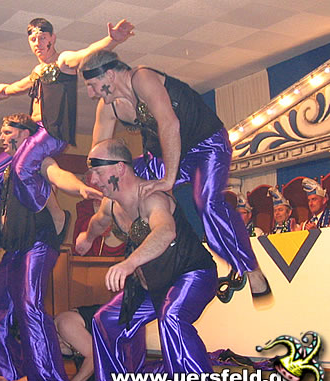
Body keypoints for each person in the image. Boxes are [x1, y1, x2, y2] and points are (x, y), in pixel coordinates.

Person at [79, 49, 270, 299]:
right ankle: (152, 259)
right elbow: (100, 157)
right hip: (165, 155)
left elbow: (170, 124)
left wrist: (168, 179)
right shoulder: (109, 108)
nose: (91, 93)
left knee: (207, 203)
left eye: (92, 85)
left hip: (206, 146)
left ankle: (251, 270)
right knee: (126, 179)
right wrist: (97, 184)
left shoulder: (142, 78)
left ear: (110, 75)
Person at [75, 140, 226, 381]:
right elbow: (97, 223)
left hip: (192, 274)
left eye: (97, 171)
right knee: (106, 319)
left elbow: (165, 232)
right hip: (153, 285)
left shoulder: (152, 197)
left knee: (172, 317)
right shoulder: (110, 205)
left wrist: (129, 263)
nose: (93, 179)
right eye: (91, 173)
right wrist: (87, 238)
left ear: (120, 168)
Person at [0, 113, 103, 381]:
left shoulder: (38, 161)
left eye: (7, 132)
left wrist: (80, 187)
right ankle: (14, 375)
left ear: (26, 135)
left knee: (29, 305)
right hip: (16, 245)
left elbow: (58, 175)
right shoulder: (9, 170)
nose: (0, 137)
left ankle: (51, 379)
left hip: (39, 241)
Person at [0, 18, 134, 213]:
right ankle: (66, 194)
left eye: (42, 37)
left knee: (21, 168)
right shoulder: (38, 70)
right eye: (33, 39)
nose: (38, 43)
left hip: (50, 132)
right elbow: (18, 87)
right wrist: (3, 90)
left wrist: (112, 40)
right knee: (41, 169)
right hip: (36, 133)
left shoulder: (62, 61)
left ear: (53, 38)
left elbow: (86, 53)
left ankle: (47, 213)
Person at [0, 304, 103, 381]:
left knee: (87, 380)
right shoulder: (48, 346)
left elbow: (94, 356)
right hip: (108, 359)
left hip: (112, 329)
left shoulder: (64, 323)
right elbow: (43, 377)